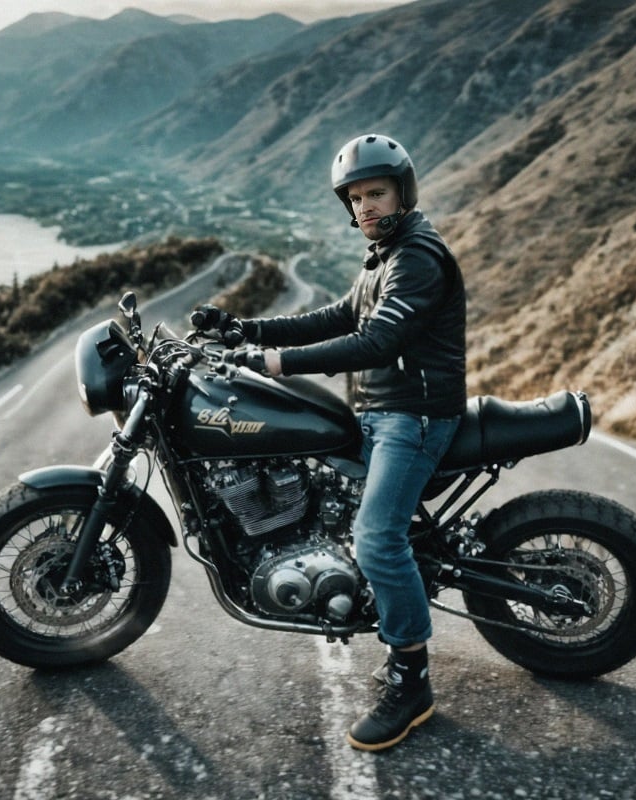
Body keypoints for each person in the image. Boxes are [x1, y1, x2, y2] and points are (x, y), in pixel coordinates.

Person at [194, 133, 467, 751]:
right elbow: (336, 317)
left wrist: (275, 362)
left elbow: (375, 343)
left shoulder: (417, 257)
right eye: (356, 197)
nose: (365, 206)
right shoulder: (384, 256)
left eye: (377, 193)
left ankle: (412, 681)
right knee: (333, 506)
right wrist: (244, 330)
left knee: (376, 538)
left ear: (402, 193)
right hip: (379, 413)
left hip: (413, 418)